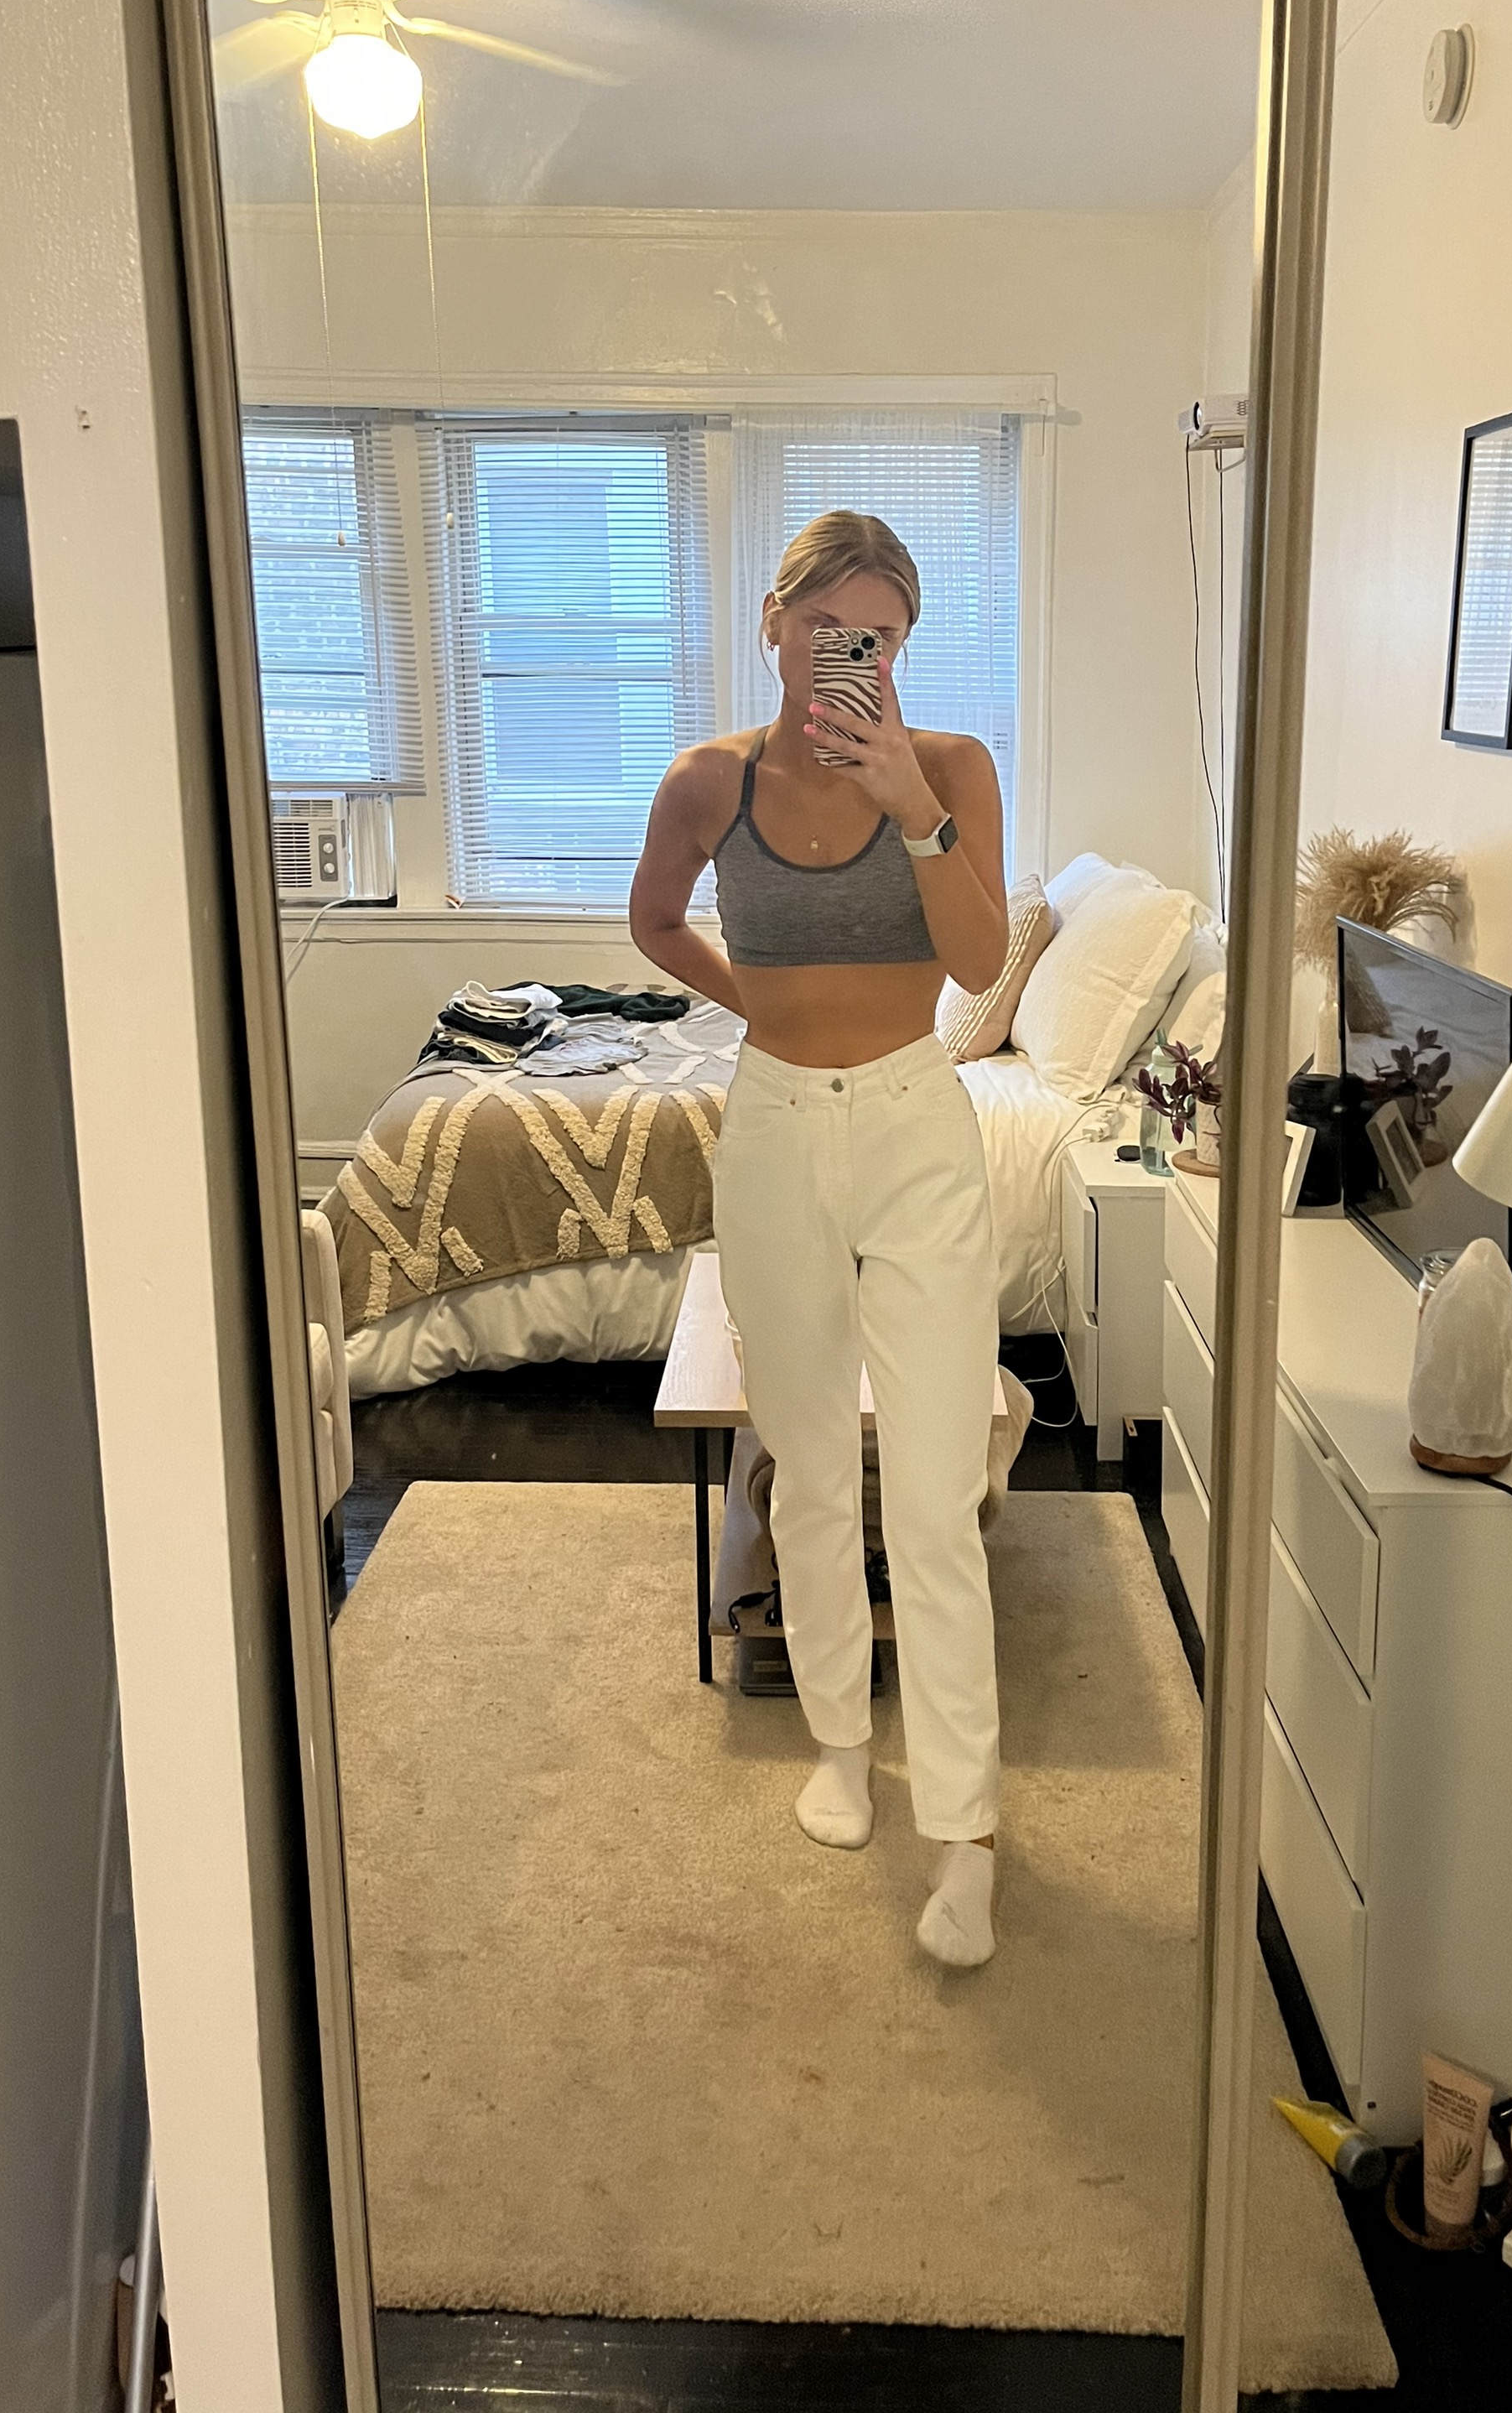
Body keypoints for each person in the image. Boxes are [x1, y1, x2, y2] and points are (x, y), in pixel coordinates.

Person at [630, 511, 1011, 1966]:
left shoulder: (952, 768)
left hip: (917, 1121)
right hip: (777, 1126)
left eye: (882, 636)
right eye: (829, 628)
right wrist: (766, 1009)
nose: (854, 655)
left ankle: (965, 1829)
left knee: (932, 1487)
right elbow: (655, 923)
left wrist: (913, 807)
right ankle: (841, 1750)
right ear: (774, 623)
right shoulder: (705, 780)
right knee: (799, 1453)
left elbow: (978, 963)